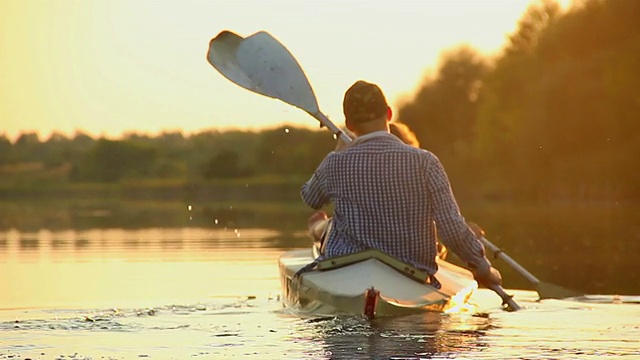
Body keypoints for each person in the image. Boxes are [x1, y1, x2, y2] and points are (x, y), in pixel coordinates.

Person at [300, 80, 501, 288]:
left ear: (349, 125)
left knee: (329, 227)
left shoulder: (335, 162)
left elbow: (310, 197)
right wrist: (483, 268)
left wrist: (337, 154)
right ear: (388, 113)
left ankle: (318, 229)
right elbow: (451, 229)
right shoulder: (426, 161)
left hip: (347, 270)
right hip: (413, 274)